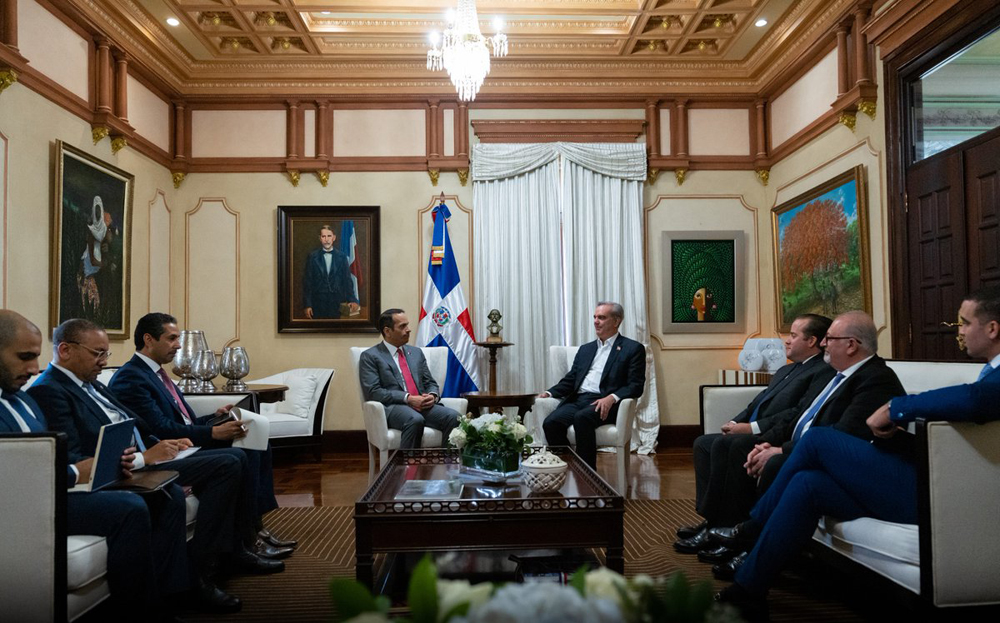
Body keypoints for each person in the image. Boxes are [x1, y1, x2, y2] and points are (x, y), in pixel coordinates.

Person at [716, 288, 1000, 620]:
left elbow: (973, 399)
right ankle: (749, 589)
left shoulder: (989, 381)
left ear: (992, 329)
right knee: (809, 484)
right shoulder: (989, 372)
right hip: (927, 480)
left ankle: (752, 526)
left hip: (945, 500)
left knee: (819, 440)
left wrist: (896, 407)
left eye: (965, 323)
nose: (959, 330)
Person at [28, 319, 283, 614]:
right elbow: (76, 458)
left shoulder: (91, 384)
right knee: (227, 463)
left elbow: (137, 424)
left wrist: (160, 446)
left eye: (106, 355)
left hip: (147, 456)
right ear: (65, 350)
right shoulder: (48, 390)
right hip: (123, 470)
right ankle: (203, 571)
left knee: (241, 452)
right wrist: (146, 456)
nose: (104, 362)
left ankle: (228, 553)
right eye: (98, 354)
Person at [697, 311, 906, 579]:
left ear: (852, 345)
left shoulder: (875, 378)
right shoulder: (839, 374)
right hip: (804, 446)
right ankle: (739, 531)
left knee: (775, 464)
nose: (824, 345)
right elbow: (799, 417)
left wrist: (780, 450)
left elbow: (841, 436)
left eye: (830, 339)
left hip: (846, 463)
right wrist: (769, 442)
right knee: (747, 449)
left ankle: (751, 541)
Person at [0, 310, 182, 615]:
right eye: (24, 357)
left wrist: (89, 466)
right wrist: (75, 471)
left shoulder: (23, 400)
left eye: (36, 357)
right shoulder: (42, 391)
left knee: (159, 495)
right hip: (23, 507)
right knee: (129, 508)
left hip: (51, 492)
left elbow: (52, 454)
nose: (33, 368)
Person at [109, 312, 295, 555]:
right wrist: (213, 433)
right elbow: (162, 428)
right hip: (166, 451)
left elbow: (185, 420)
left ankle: (254, 527)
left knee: (257, 440)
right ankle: (247, 539)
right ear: (148, 339)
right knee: (243, 452)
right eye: (172, 338)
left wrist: (213, 418)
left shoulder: (158, 374)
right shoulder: (131, 377)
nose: (178, 345)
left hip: (185, 442)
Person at [674, 314, 833, 554]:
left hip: (777, 435)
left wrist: (751, 428)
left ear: (812, 341)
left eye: (792, 335)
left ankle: (726, 525)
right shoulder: (786, 370)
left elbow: (796, 413)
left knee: (730, 445)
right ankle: (712, 519)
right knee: (703, 443)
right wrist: (736, 420)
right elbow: (756, 403)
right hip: (757, 428)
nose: (786, 341)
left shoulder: (821, 371)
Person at [539, 302, 646, 469]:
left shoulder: (632, 349)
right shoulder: (586, 349)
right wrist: (549, 393)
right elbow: (571, 379)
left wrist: (611, 398)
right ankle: (569, 466)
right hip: (579, 399)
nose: (596, 321)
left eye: (602, 317)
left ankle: (588, 475)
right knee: (551, 423)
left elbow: (636, 385)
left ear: (616, 321)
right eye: (595, 317)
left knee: (582, 418)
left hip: (606, 403)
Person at [359, 308, 459, 449]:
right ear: (387, 331)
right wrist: (408, 398)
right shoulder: (370, 356)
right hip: (394, 407)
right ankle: (408, 469)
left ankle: (446, 467)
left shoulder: (416, 353)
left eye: (407, 324)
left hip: (422, 404)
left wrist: (432, 395)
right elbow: (374, 392)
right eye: (402, 326)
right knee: (414, 419)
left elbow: (429, 382)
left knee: (453, 417)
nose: (409, 329)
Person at [303, 224, 359, 319]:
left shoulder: (342, 257)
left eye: (329, 236)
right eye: (323, 236)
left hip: (336, 302)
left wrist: (352, 299)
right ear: (320, 238)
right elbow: (307, 283)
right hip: (318, 302)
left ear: (334, 238)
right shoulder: (312, 257)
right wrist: (307, 305)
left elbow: (347, 280)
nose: (326, 239)